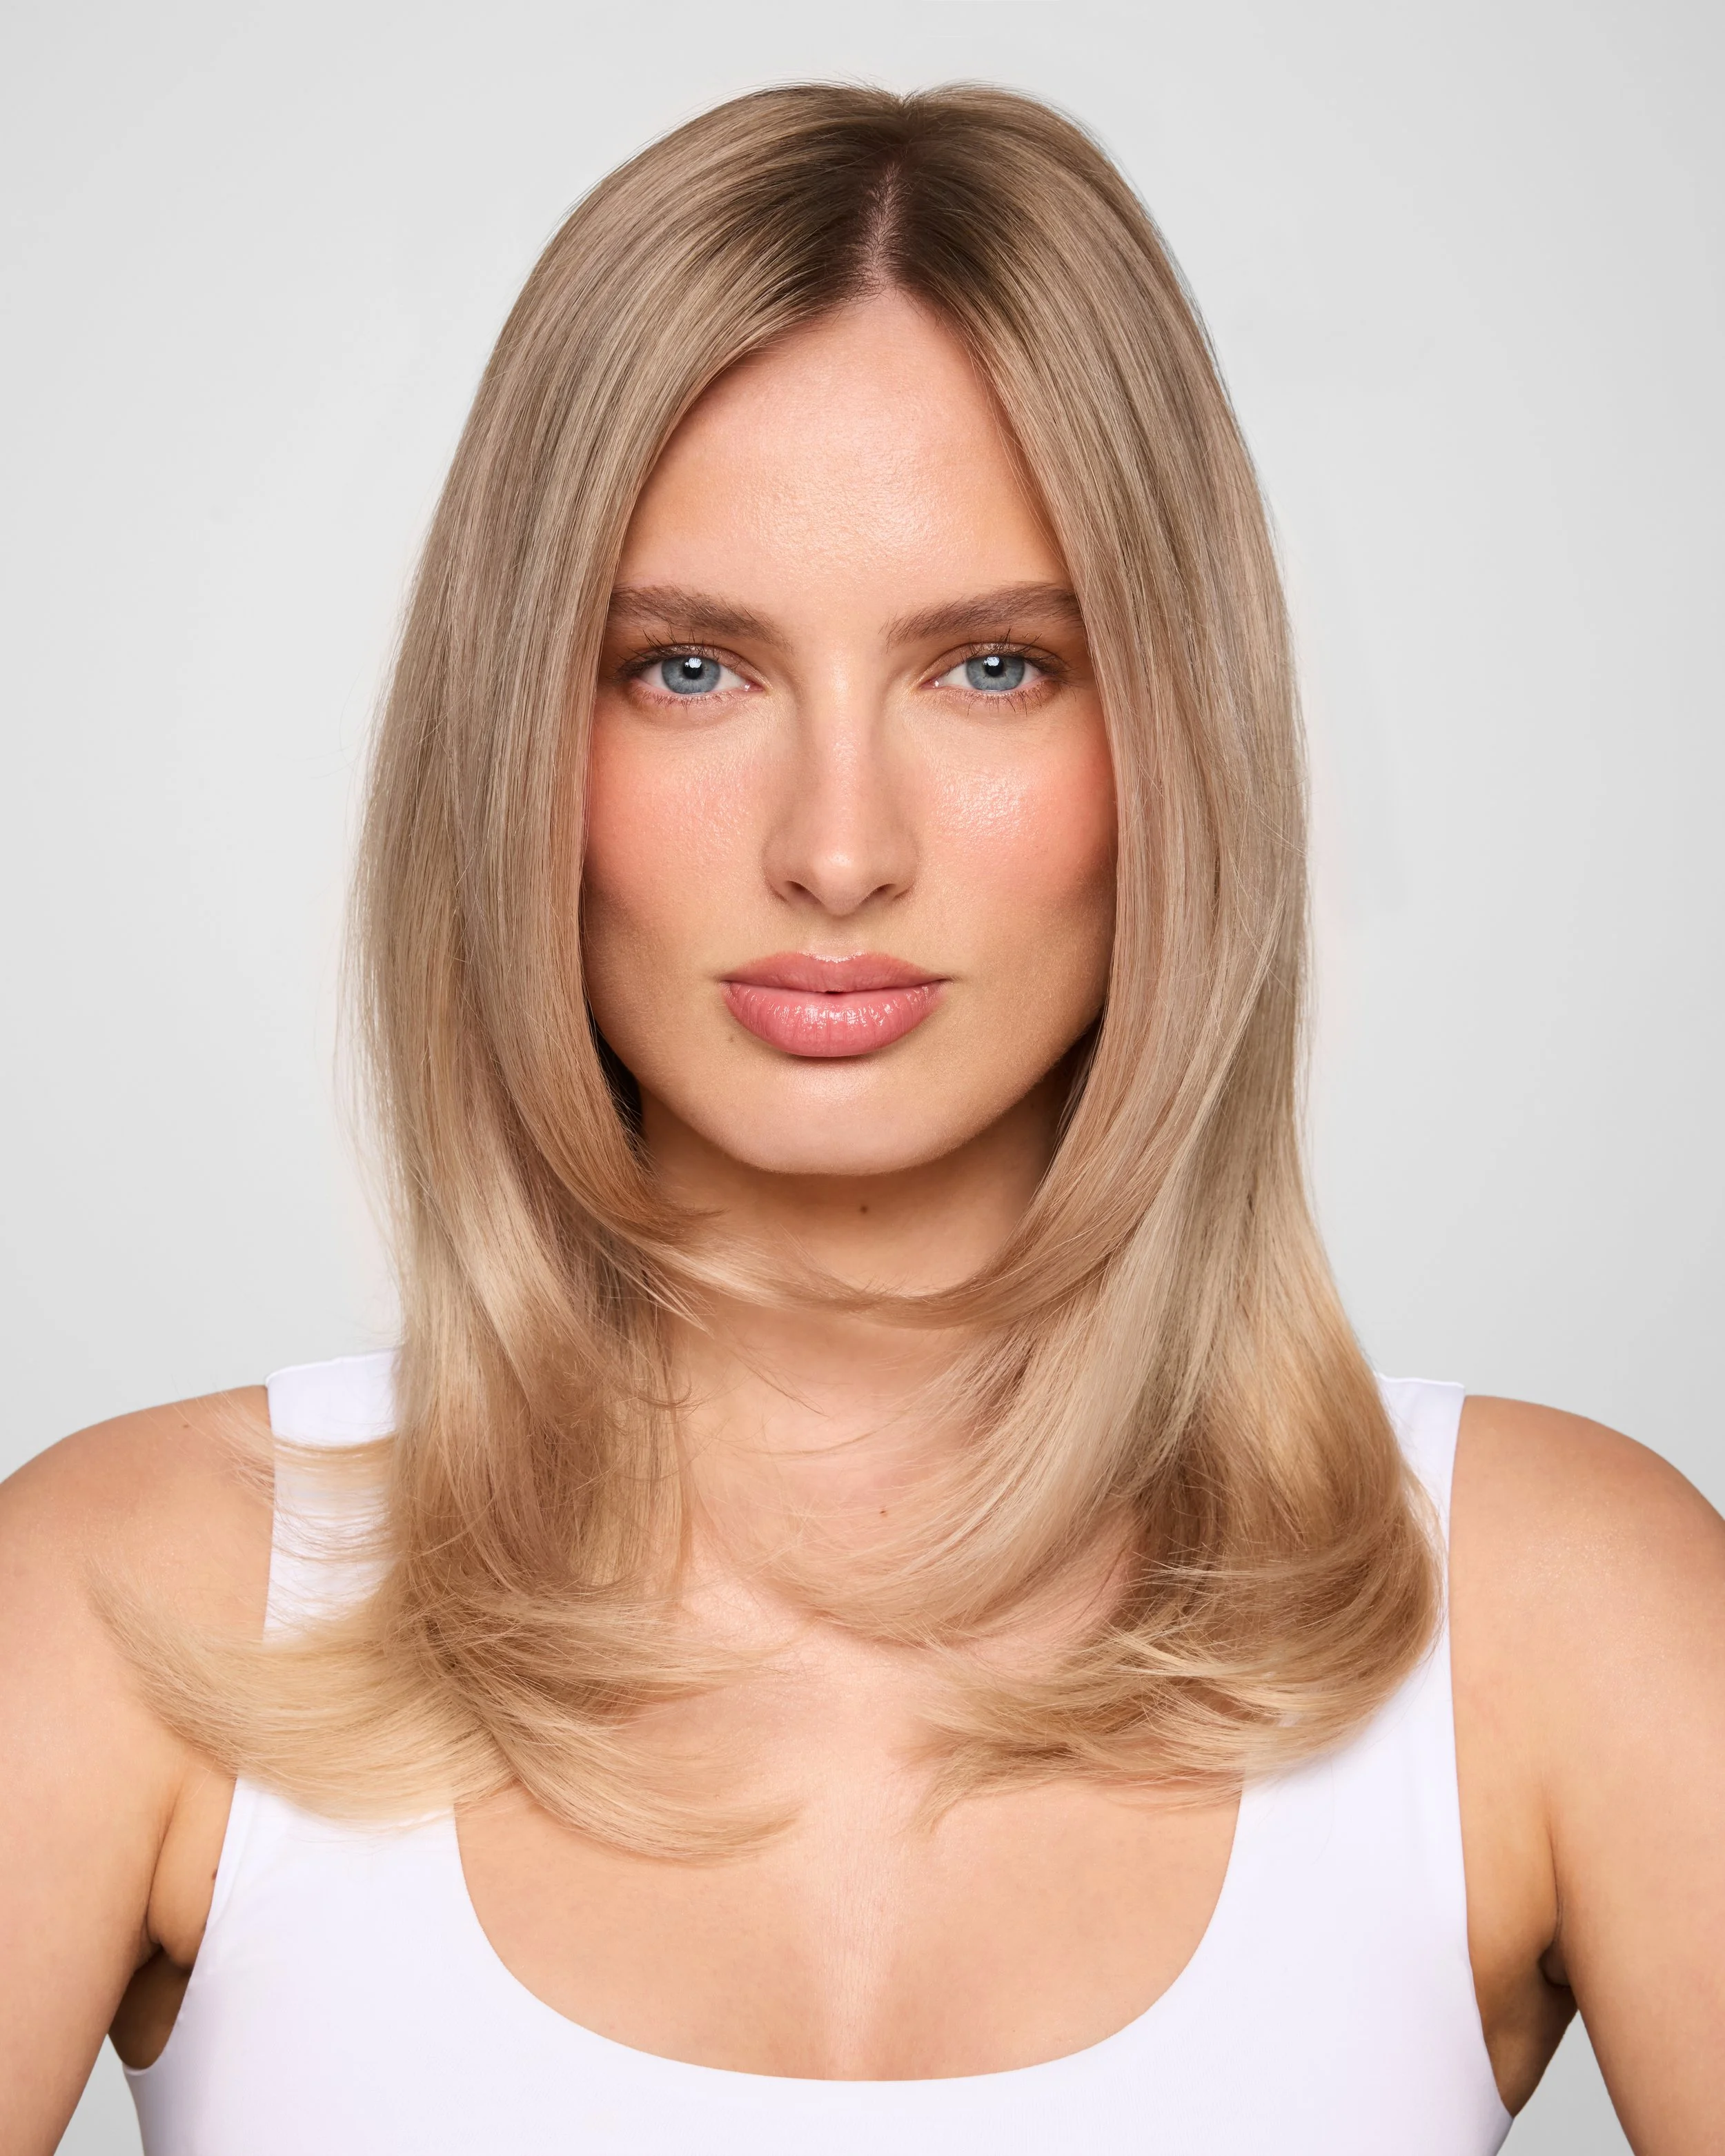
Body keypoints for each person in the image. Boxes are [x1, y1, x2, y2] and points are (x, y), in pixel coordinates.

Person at [1, 83, 1720, 2156]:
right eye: (686, 671)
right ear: (517, 731)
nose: (837, 849)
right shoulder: (128, 1601)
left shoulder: (1556, 1613)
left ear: (1172, 734)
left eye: (990, 667)